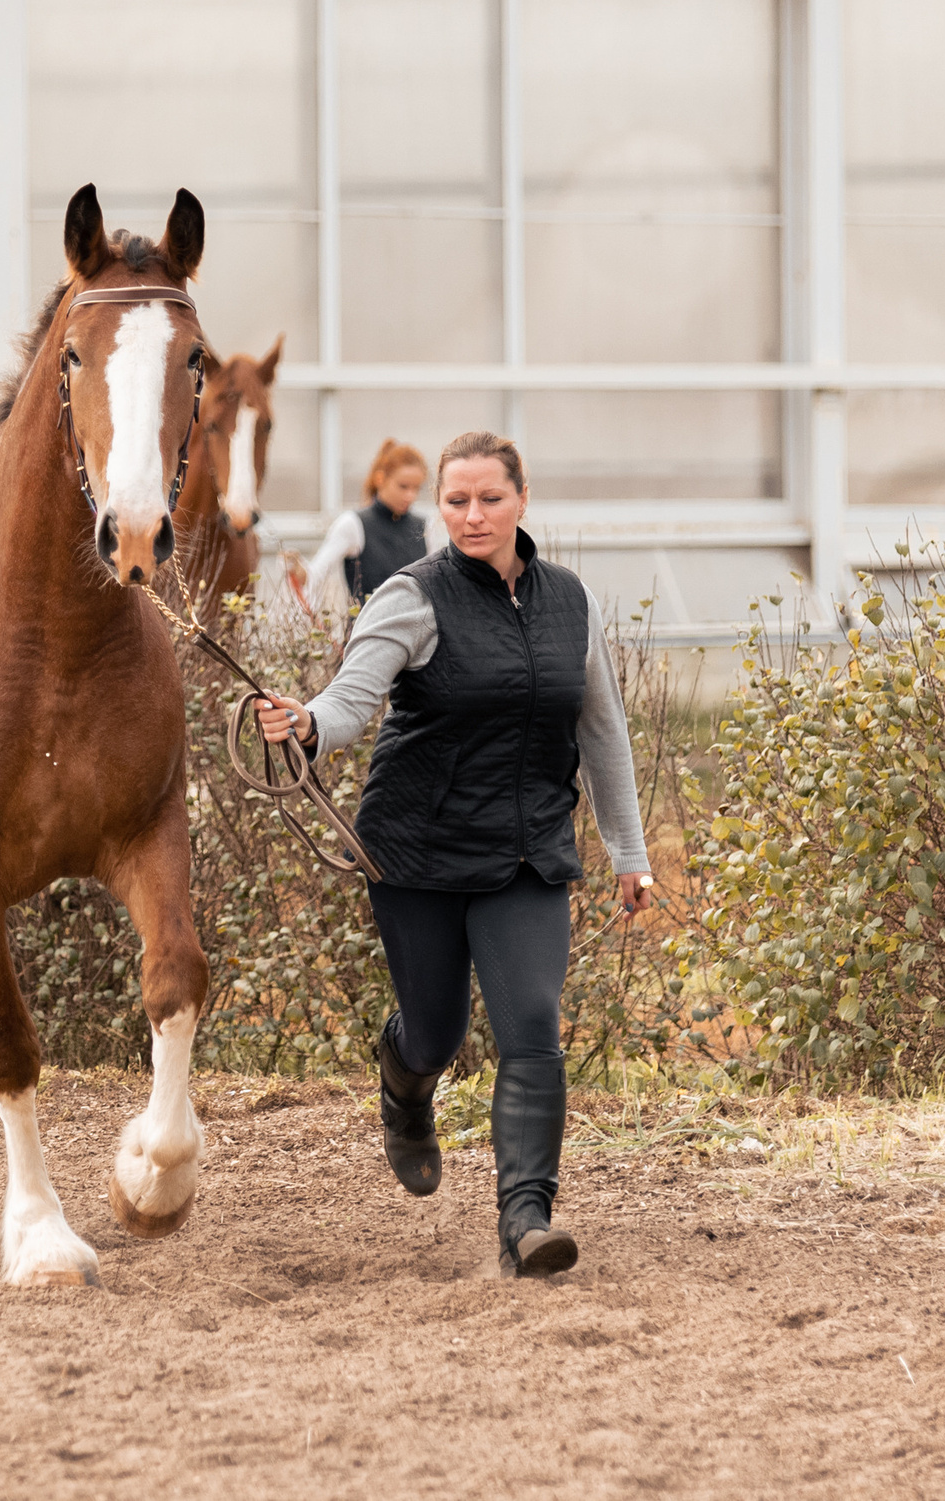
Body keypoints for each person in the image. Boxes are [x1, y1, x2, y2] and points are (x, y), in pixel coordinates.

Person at [252, 430, 654, 1280]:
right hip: (419, 852)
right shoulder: (412, 595)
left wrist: (630, 850)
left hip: (525, 853)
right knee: (435, 1033)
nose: (472, 516)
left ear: (522, 499)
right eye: (457, 501)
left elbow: (602, 731)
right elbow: (354, 695)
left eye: (489, 498)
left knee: (533, 1031)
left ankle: (526, 1220)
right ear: (440, 506)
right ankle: (405, 1087)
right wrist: (309, 723)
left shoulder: (569, 602)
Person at [300, 439, 449, 619]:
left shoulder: (426, 526)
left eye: (416, 488)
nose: (410, 495)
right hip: (365, 636)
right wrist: (299, 574)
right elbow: (315, 576)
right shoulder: (353, 524)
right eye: (403, 486)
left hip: (416, 638)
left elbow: (435, 588)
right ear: (380, 479)